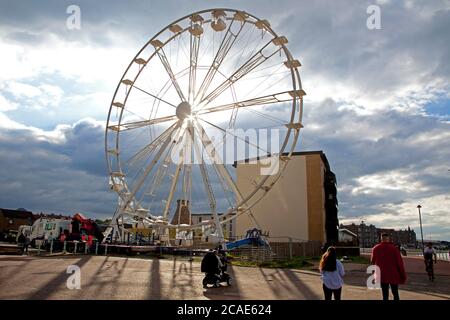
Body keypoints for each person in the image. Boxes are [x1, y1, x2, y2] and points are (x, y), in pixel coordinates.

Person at [371, 233, 407, 300]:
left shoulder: (375, 249)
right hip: (393, 274)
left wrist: (374, 273)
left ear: (381, 239)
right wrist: (402, 274)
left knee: (385, 294)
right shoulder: (394, 249)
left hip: (382, 274)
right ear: (388, 239)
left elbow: (373, 262)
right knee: (395, 293)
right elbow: (399, 263)